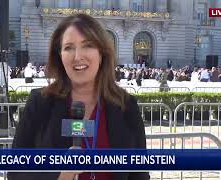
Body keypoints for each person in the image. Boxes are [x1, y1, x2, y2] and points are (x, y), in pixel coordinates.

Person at [8, 14, 149, 180]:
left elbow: (139, 174)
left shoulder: (126, 105)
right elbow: (15, 172)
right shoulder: (40, 103)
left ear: (101, 53)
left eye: (87, 45)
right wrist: (59, 175)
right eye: (68, 47)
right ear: (59, 56)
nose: (77, 56)